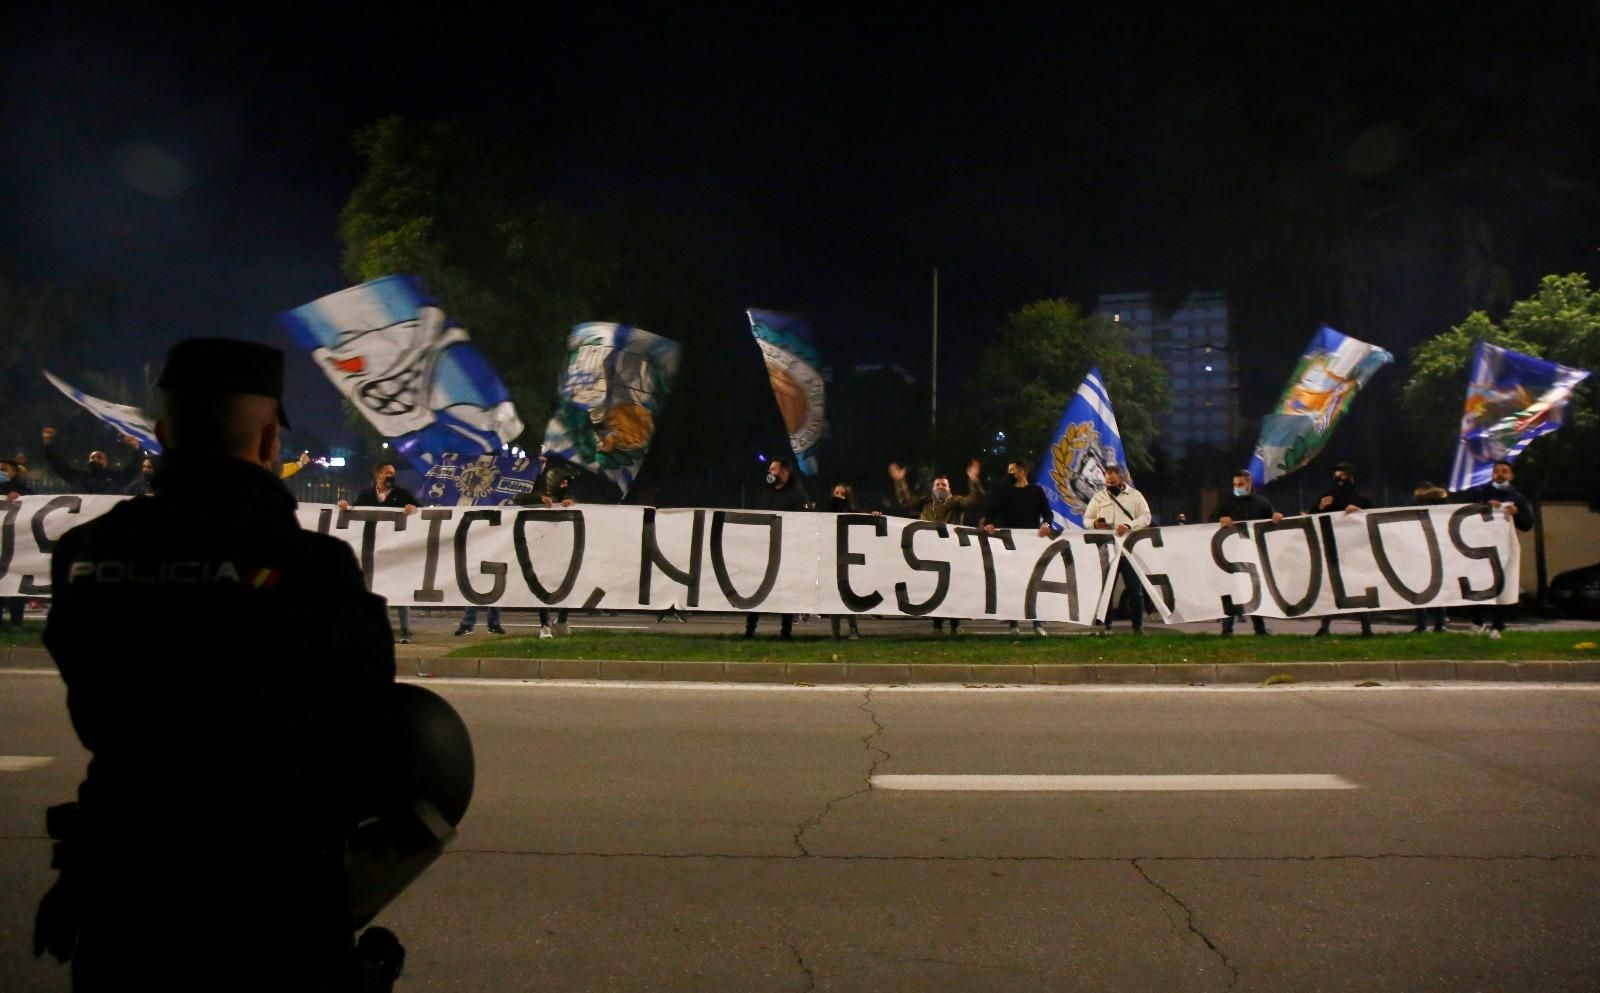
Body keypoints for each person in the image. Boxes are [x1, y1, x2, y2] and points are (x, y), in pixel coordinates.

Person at [35, 338, 405, 990]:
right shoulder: (316, 570)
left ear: (160, 435)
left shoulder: (86, 555)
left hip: (127, 893)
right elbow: (371, 733)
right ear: (268, 441)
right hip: (275, 907)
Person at [891, 458, 984, 634]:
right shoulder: (925, 503)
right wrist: (900, 481)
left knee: (953, 588)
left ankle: (955, 625)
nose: (941, 487)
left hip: (951, 550)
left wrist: (973, 480)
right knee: (934, 588)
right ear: (933, 488)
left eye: (944, 485)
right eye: (938, 485)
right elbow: (905, 500)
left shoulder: (956, 502)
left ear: (949, 488)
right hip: (929, 551)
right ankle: (937, 625)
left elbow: (974, 499)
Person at [340, 461, 419, 644]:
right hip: (372, 549)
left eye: (393, 473)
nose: (392, 476)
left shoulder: (402, 494)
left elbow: (420, 512)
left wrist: (412, 509)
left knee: (400, 590)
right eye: (388, 473)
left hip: (396, 548)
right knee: (377, 591)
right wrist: (345, 507)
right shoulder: (367, 495)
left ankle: (405, 632)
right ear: (378, 475)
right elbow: (355, 513)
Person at [1457, 459, 1534, 638]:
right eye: (1497, 471)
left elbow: (1527, 524)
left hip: (1504, 550)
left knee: (1501, 586)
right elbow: (1464, 514)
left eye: (1504, 471)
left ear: (1511, 475)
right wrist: (1484, 508)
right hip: (1479, 547)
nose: (1500, 474)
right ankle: (1477, 623)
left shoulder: (1517, 498)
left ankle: (1498, 625)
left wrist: (1516, 514)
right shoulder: (1480, 494)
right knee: (1478, 585)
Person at [982, 458, 1055, 636]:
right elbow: (992, 511)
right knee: (1013, 582)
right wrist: (989, 523)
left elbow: (1048, 513)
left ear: (1022, 471)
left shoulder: (1036, 492)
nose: (1010, 473)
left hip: (1031, 544)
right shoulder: (1004, 492)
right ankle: (1013, 624)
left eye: (1012, 470)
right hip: (1010, 544)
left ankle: (1037, 623)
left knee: (1034, 582)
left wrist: (1046, 524)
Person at [1210, 469, 1283, 637]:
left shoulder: (1262, 504)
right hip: (1232, 555)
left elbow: (1271, 524)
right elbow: (1210, 520)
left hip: (1253, 554)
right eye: (1235, 484)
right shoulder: (1227, 502)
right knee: (1234, 590)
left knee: (1254, 591)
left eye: (1241, 484)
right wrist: (1220, 519)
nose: (1237, 487)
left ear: (1249, 483)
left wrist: (1276, 519)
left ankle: (1259, 628)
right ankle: (1227, 629)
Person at [744, 456, 811, 639]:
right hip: (765, 549)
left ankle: (786, 631)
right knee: (757, 589)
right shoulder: (767, 492)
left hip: (787, 550)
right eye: (769, 469)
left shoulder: (798, 494)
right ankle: (750, 630)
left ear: (784, 472)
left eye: (773, 469)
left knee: (786, 590)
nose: (770, 473)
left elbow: (804, 520)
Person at [1308, 462, 1375, 637]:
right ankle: (1325, 626)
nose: (1339, 480)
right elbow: (1311, 520)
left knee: (1358, 587)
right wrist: (1320, 508)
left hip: (1355, 549)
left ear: (1351, 476)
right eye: (1336, 476)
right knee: (1332, 587)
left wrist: (1359, 512)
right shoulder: (1327, 497)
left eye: (1343, 476)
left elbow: (1374, 518)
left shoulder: (1362, 497)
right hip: (1333, 547)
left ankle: (1366, 627)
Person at [1083, 465, 1151, 634]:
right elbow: (1086, 519)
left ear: (1122, 477)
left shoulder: (1135, 496)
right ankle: (1106, 626)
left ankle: (1138, 627)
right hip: (1108, 551)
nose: (1110, 480)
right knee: (1107, 590)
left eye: (1113, 477)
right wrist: (1094, 524)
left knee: (1135, 590)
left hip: (1129, 551)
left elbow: (1146, 517)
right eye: (1107, 477)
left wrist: (1129, 525)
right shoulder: (1099, 498)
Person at [825, 482, 877, 640]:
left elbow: (866, 519)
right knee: (834, 597)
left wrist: (873, 516)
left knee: (848, 596)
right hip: (831, 559)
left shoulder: (853, 511)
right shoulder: (826, 512)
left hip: (848, 561)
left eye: (841, 493)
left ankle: (853, 629)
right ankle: (835, 632)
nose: (838, 496)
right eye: (836, 492)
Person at [40, 426, 145, 495]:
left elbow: (134, 467)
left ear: (106, 462)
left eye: (99, 457)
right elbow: (58, 464)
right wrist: (48, 443)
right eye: (93, 457)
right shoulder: (78, 477)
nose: (95, 459)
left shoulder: (117, 478)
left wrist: (136, 448)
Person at [1410, 482, 1451, 633]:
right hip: (1438, 548)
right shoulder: (1443, 502)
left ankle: (1422, 624)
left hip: (1421, 548)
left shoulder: (1416, 504)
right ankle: (1440, 624)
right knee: (1439, 588)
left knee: (1420, 588)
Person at [1, 454, 31, 628]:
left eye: (4, 469)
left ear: (14, 473)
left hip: (17, 546)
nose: (0, 472)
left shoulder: (23, 491)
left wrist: (20, 497)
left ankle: (16, 622)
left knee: (15, 583)